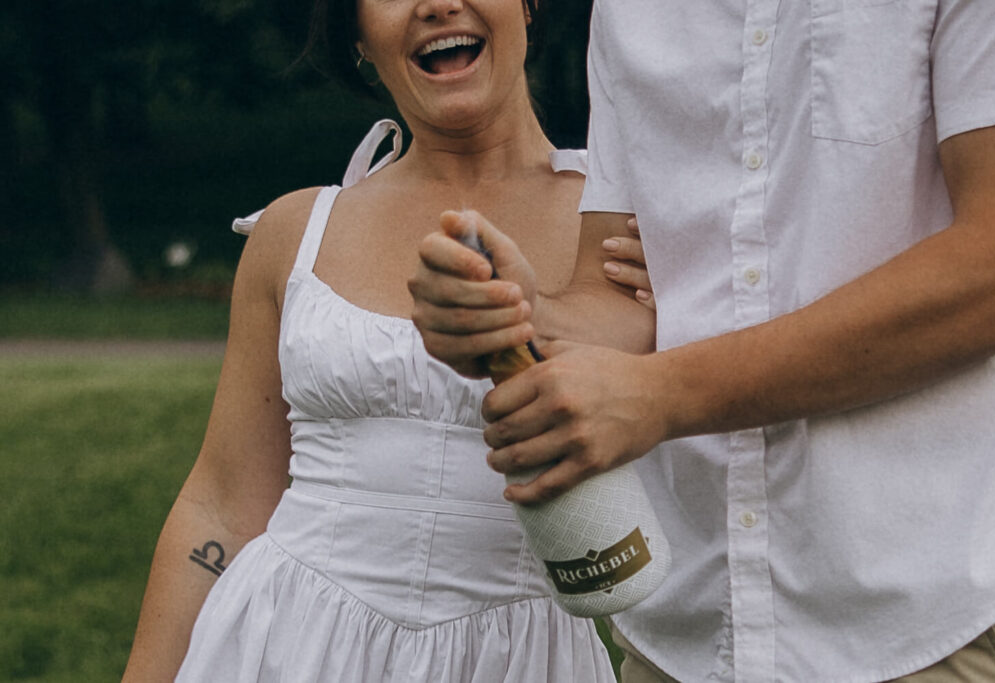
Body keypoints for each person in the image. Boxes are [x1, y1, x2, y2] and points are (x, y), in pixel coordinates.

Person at [408, 0, 995, 680]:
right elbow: (618, 287)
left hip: (931, 618)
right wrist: (525, 318)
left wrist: (663, 395)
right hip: (688, 634)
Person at [121, 0, 655, 680]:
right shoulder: (296, 232)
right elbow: (221, 502)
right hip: (285, 647)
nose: (436, 4)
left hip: (517, 658)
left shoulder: (625, 229)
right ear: (357, 38)